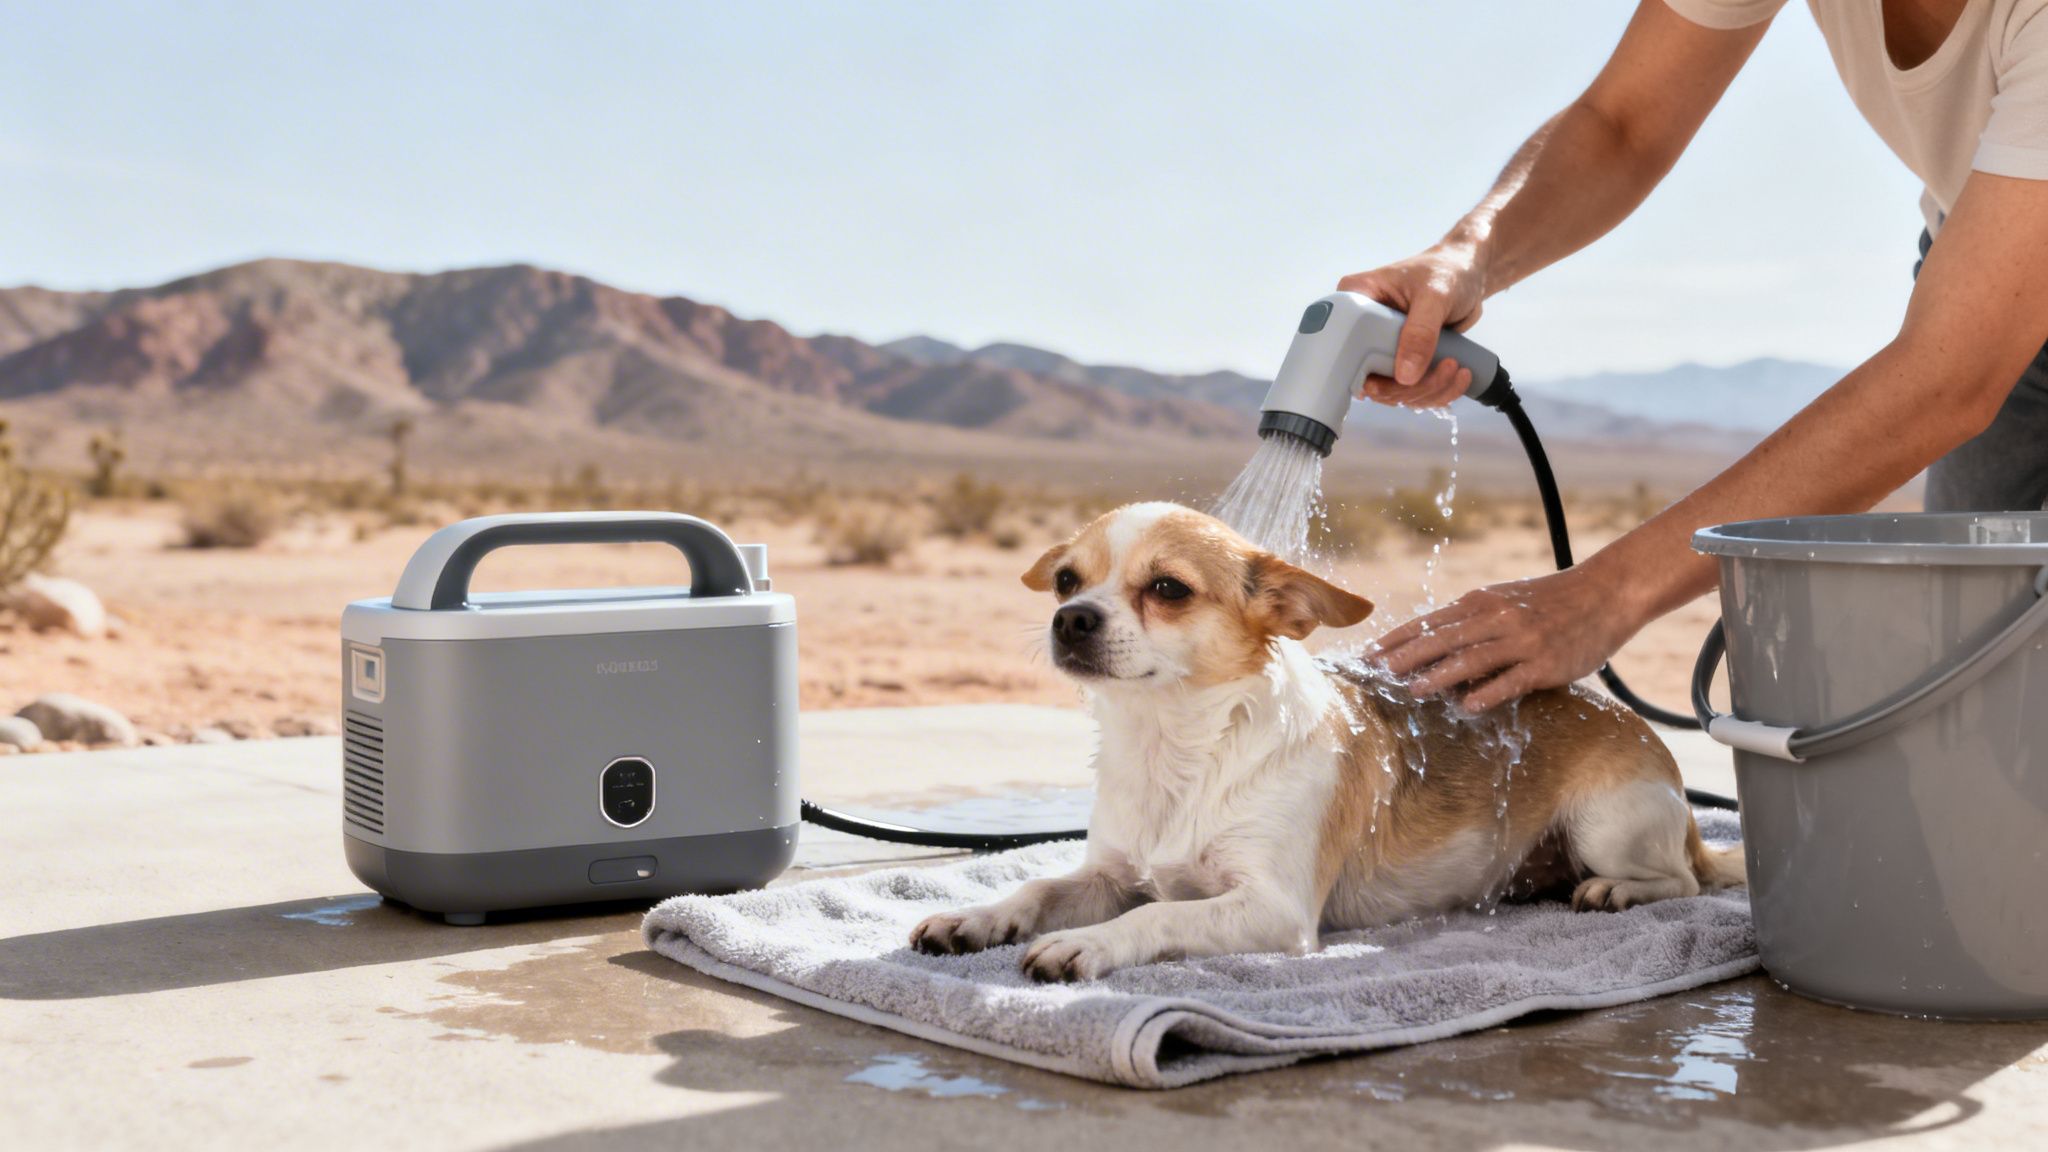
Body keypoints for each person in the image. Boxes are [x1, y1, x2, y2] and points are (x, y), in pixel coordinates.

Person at [1362, 0, 2048, 712]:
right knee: (1980, 666)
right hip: (1989, 266)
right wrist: (1467, 257)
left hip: (1983, 319)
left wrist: (1603, 597)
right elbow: (1624, 123)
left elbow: (1949, 378)